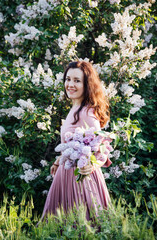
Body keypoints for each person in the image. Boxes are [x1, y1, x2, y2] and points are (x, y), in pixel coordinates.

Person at [41, 61, 112, 221]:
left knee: (81, 226)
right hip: (66, 174)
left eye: (77, 80)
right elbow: (74, 144)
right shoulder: (75, 108)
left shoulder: (87, 112)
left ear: (87, 84)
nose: (70, 84)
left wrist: (93, 164)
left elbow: (102, 147)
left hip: (80, 181)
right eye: (68, 79)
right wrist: (61, 158)